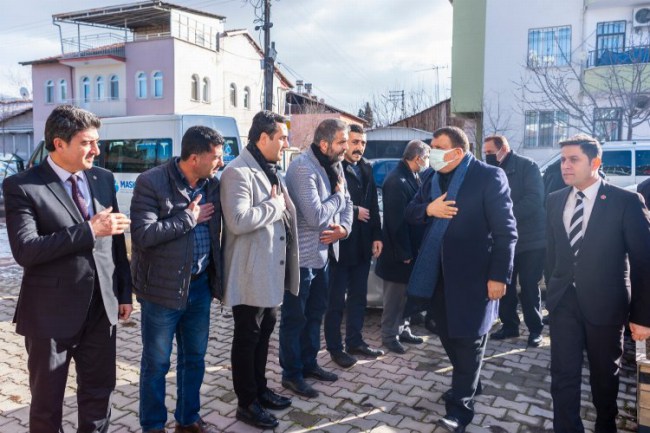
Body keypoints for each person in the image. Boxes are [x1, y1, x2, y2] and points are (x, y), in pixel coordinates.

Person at [2, 105, 132, 433]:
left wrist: (123, 292)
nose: (96, 150)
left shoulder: (103, 178)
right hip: (50, 316)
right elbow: (26, 250)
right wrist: (89, 230)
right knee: (46, 406)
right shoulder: (23, 185)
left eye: (96, 142)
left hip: (101, 310)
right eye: (87, 143)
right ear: (59, 144)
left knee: (99, 395)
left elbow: (115, 241)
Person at [405, 126, 517, 433]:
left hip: (474, 278)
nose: (432, 152)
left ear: (457, 151)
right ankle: (471, 380)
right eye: (431, 146)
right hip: (437, 276)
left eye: (438, 147)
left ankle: (459, 410)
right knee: (446, 332)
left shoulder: (488, 177)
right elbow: (410, 212)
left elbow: (507, 232)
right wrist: (429, 209)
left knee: (469, 341)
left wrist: (499, 276)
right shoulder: (430, 177)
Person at [546, 134, 650, 433]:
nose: (565, 166)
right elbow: (552, 253)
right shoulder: (554, 200)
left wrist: (642, 317)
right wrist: (552, 290)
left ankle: (606, 425)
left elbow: (644, 262)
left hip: (606, 305)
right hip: (564, 302)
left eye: (573, 159)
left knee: (604, 375)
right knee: (563, 375)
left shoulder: (626, 202)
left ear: (595, 162)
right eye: (563, 160)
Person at [130, 126, 224, 433]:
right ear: (194, 158)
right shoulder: (151, 181)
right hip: (162, 291)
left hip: (199, 287)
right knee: (157, 364)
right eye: (216, 157)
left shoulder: (212, 184)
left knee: (194, 358)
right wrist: (189, 218)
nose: (220, 162)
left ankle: (187, 418)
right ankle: (153, 426)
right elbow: (143, 235)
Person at [220, 111, 297, 429]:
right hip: (250, 275)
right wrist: (275, 207)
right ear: (263, 138)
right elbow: (238, 221)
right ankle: (246, 403)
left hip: (270, 272)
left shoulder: (269, 169)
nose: (286, 144)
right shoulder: (237, 172)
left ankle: (260, 390)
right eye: (282, 138)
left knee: (264, 335)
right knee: (247, 338)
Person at [280, 118, 353, 398]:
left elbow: (348, 205)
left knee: (314, 316)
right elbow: (315, 217)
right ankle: (291, 374)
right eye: (341, 142)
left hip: (324, 257)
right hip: (301, 259)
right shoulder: (302, 168)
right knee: (295, 319)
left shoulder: (335, 165)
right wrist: (338, 198)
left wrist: (344, 229)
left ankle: (309, 364)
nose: (346, 147)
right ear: (324, 144)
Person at [324, 124, 384, 368]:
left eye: (363, 143)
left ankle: (355, 341)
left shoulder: (367, 167)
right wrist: (355, 210)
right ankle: (335, 348)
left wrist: (377, 235)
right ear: (345, 142)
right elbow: (325, 204)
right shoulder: (332, 168)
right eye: (355, 142)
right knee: (335, 301)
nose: (359, 147)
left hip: (363, 245)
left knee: (358, 297)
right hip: (340, 245)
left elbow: (374, 204)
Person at [483, 135, 546, 347]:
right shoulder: (491, 172)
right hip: (505, 240)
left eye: (490, 152)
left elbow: (534, 200)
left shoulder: (528, 166)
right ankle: (509, 325)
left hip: (531, 240)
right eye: (485, 153)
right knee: (506, 285)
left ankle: (535, 329)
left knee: (529, 286)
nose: (487, 156)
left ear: (504, 149)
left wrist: (504, 216)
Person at [375, 140, 429, 354]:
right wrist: (404, 252)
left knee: (406, 296)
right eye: (426, 157)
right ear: (417, 158)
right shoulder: (396, 180)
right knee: (394, 298)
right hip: (398, 253)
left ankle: (403, 329)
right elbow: (395, 222)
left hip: (410, 250)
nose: (427, 161)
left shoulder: (412, 175)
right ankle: (389, 335)